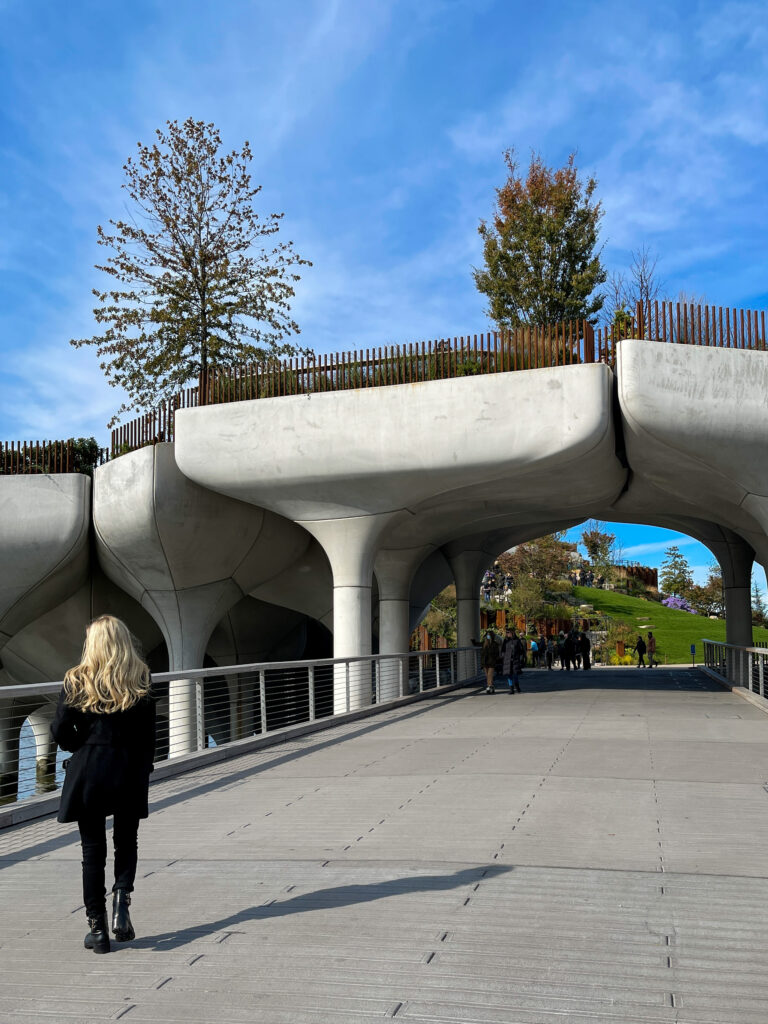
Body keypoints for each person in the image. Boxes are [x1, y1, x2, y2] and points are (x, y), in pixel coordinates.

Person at [51, 616, 156, 955]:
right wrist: (144, 769)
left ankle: (96, 930)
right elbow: (148, 735)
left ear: (92, 643)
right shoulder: (139, 677)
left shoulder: (77, 679)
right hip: (128, 769)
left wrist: (81, 744)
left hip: (90, 770)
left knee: (91, 851)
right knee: (127, 840)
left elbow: (60, 730)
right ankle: (121, 905)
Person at [501, 628, 523, 693]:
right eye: (506, 632)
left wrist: (521, 658)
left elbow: (521, 650)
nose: (507, 634)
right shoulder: (505, 641)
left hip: (515, 660)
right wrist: (503, 656)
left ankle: (517, 686)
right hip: (507, 660)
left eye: (508, 632)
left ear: (512, 633)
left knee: (515, 674)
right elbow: (503, 650)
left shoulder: (517, 640)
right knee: (509, 674)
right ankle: (511, 689)